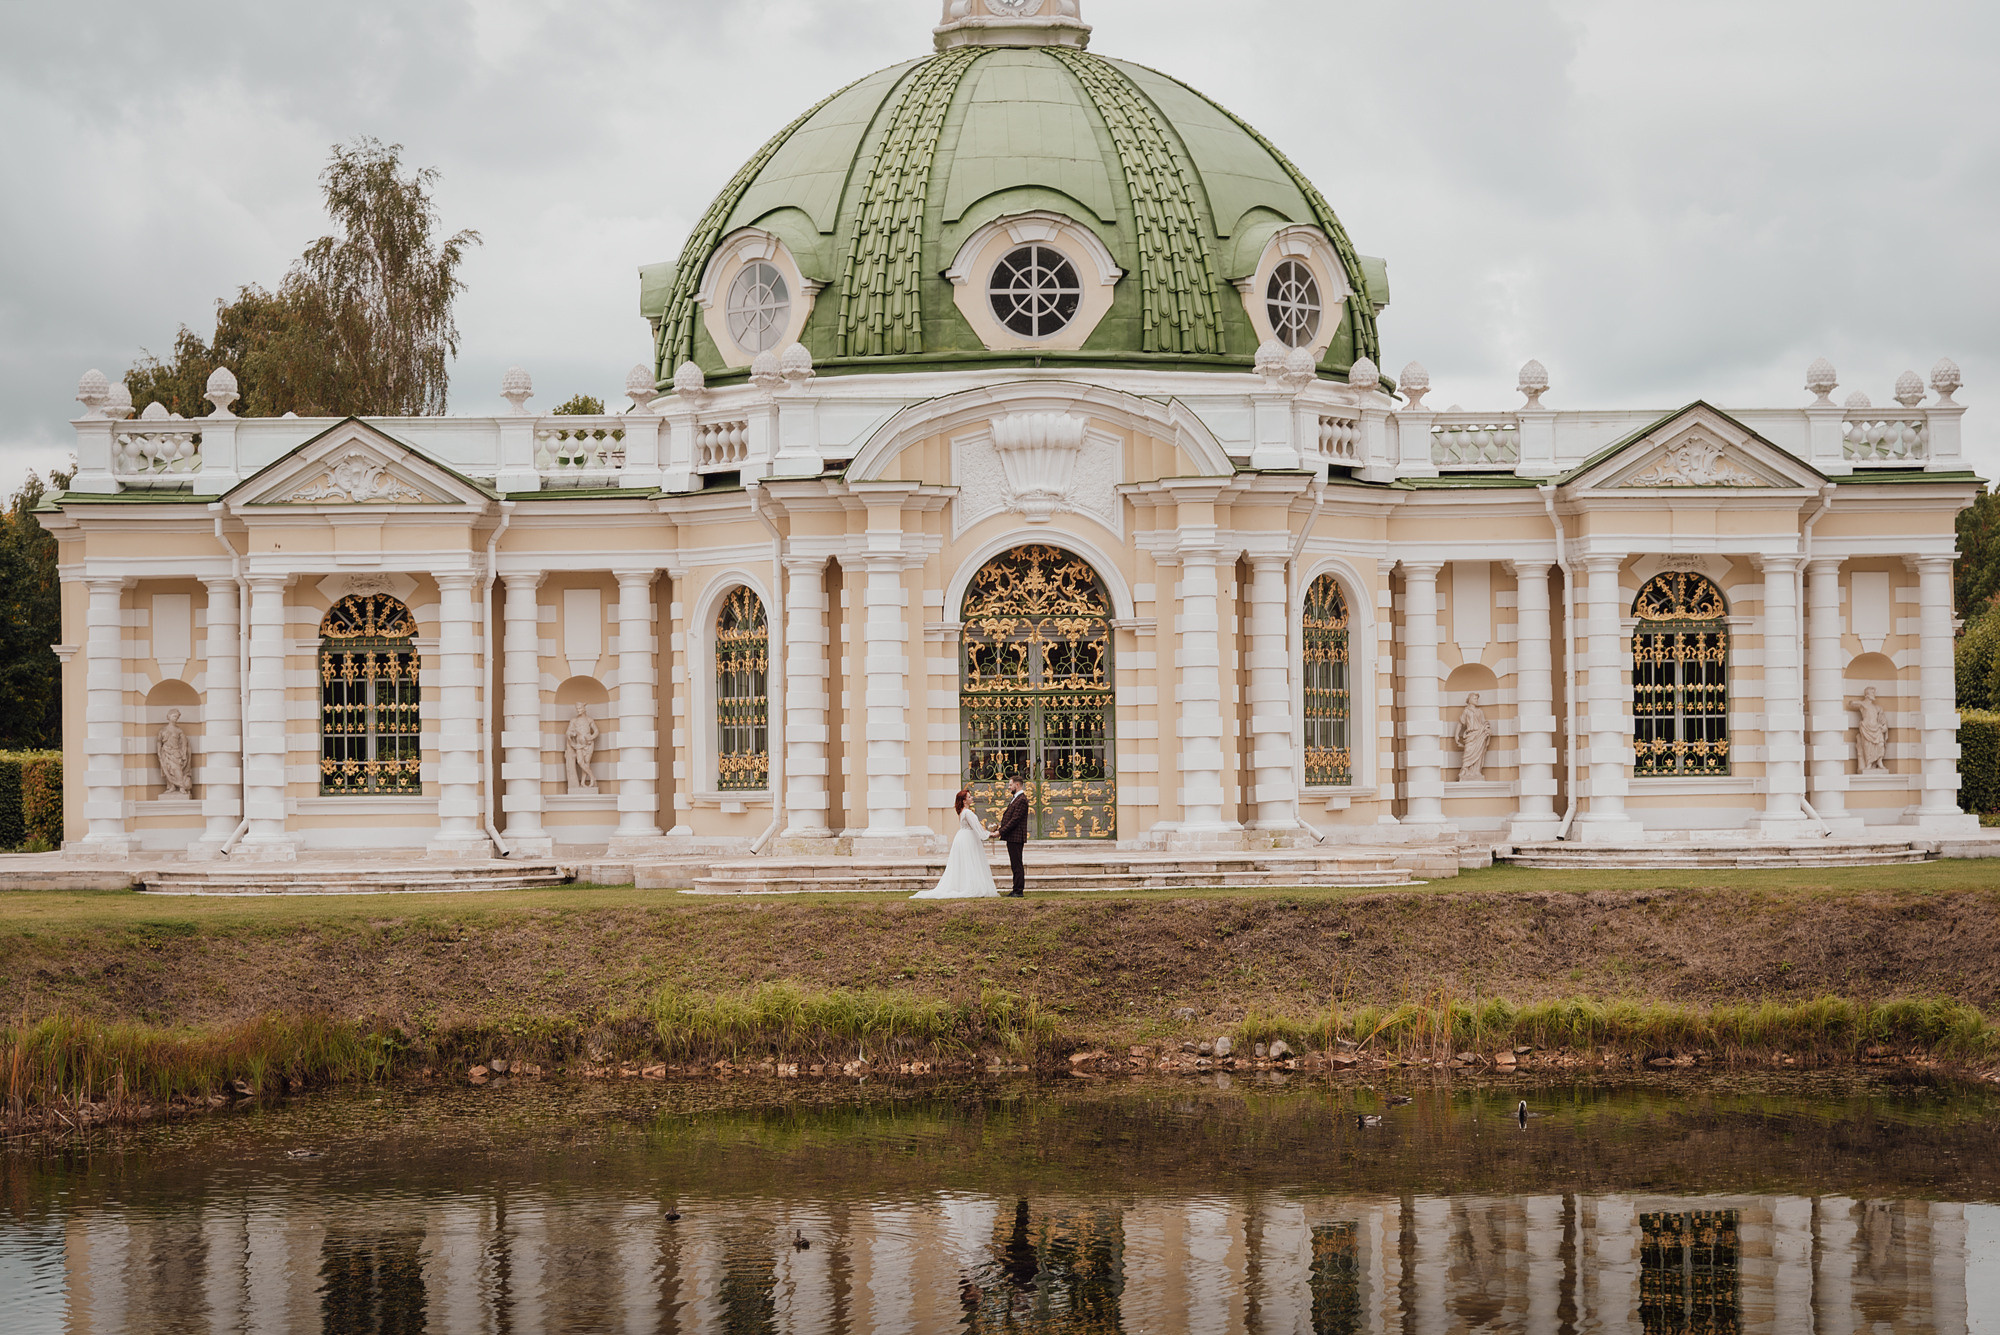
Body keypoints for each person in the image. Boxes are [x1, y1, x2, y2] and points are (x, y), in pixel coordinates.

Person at [912, 790, 1000, 899]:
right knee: (971, 861)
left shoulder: (962, 811)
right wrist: (992, 834)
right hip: (968, 838)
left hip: (963, 837)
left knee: (965, 862)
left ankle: (965, 885)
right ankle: (972, 886)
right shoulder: (967, 812)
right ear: (964, 801)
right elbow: (977, 828)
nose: (972, 798)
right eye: (969, 796)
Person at [997, 776, 1030, 897]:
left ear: (1017, 785)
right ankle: (1015, 888)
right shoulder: (1016, 798)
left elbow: (1015, 820)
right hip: (1012, 837)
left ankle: (1018, 890)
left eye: (1010, 785)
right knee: (1014, 864)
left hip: (1016, 837)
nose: (1009, 787)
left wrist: (1000, 832)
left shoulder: (1021, 799)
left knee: (1017, 864)